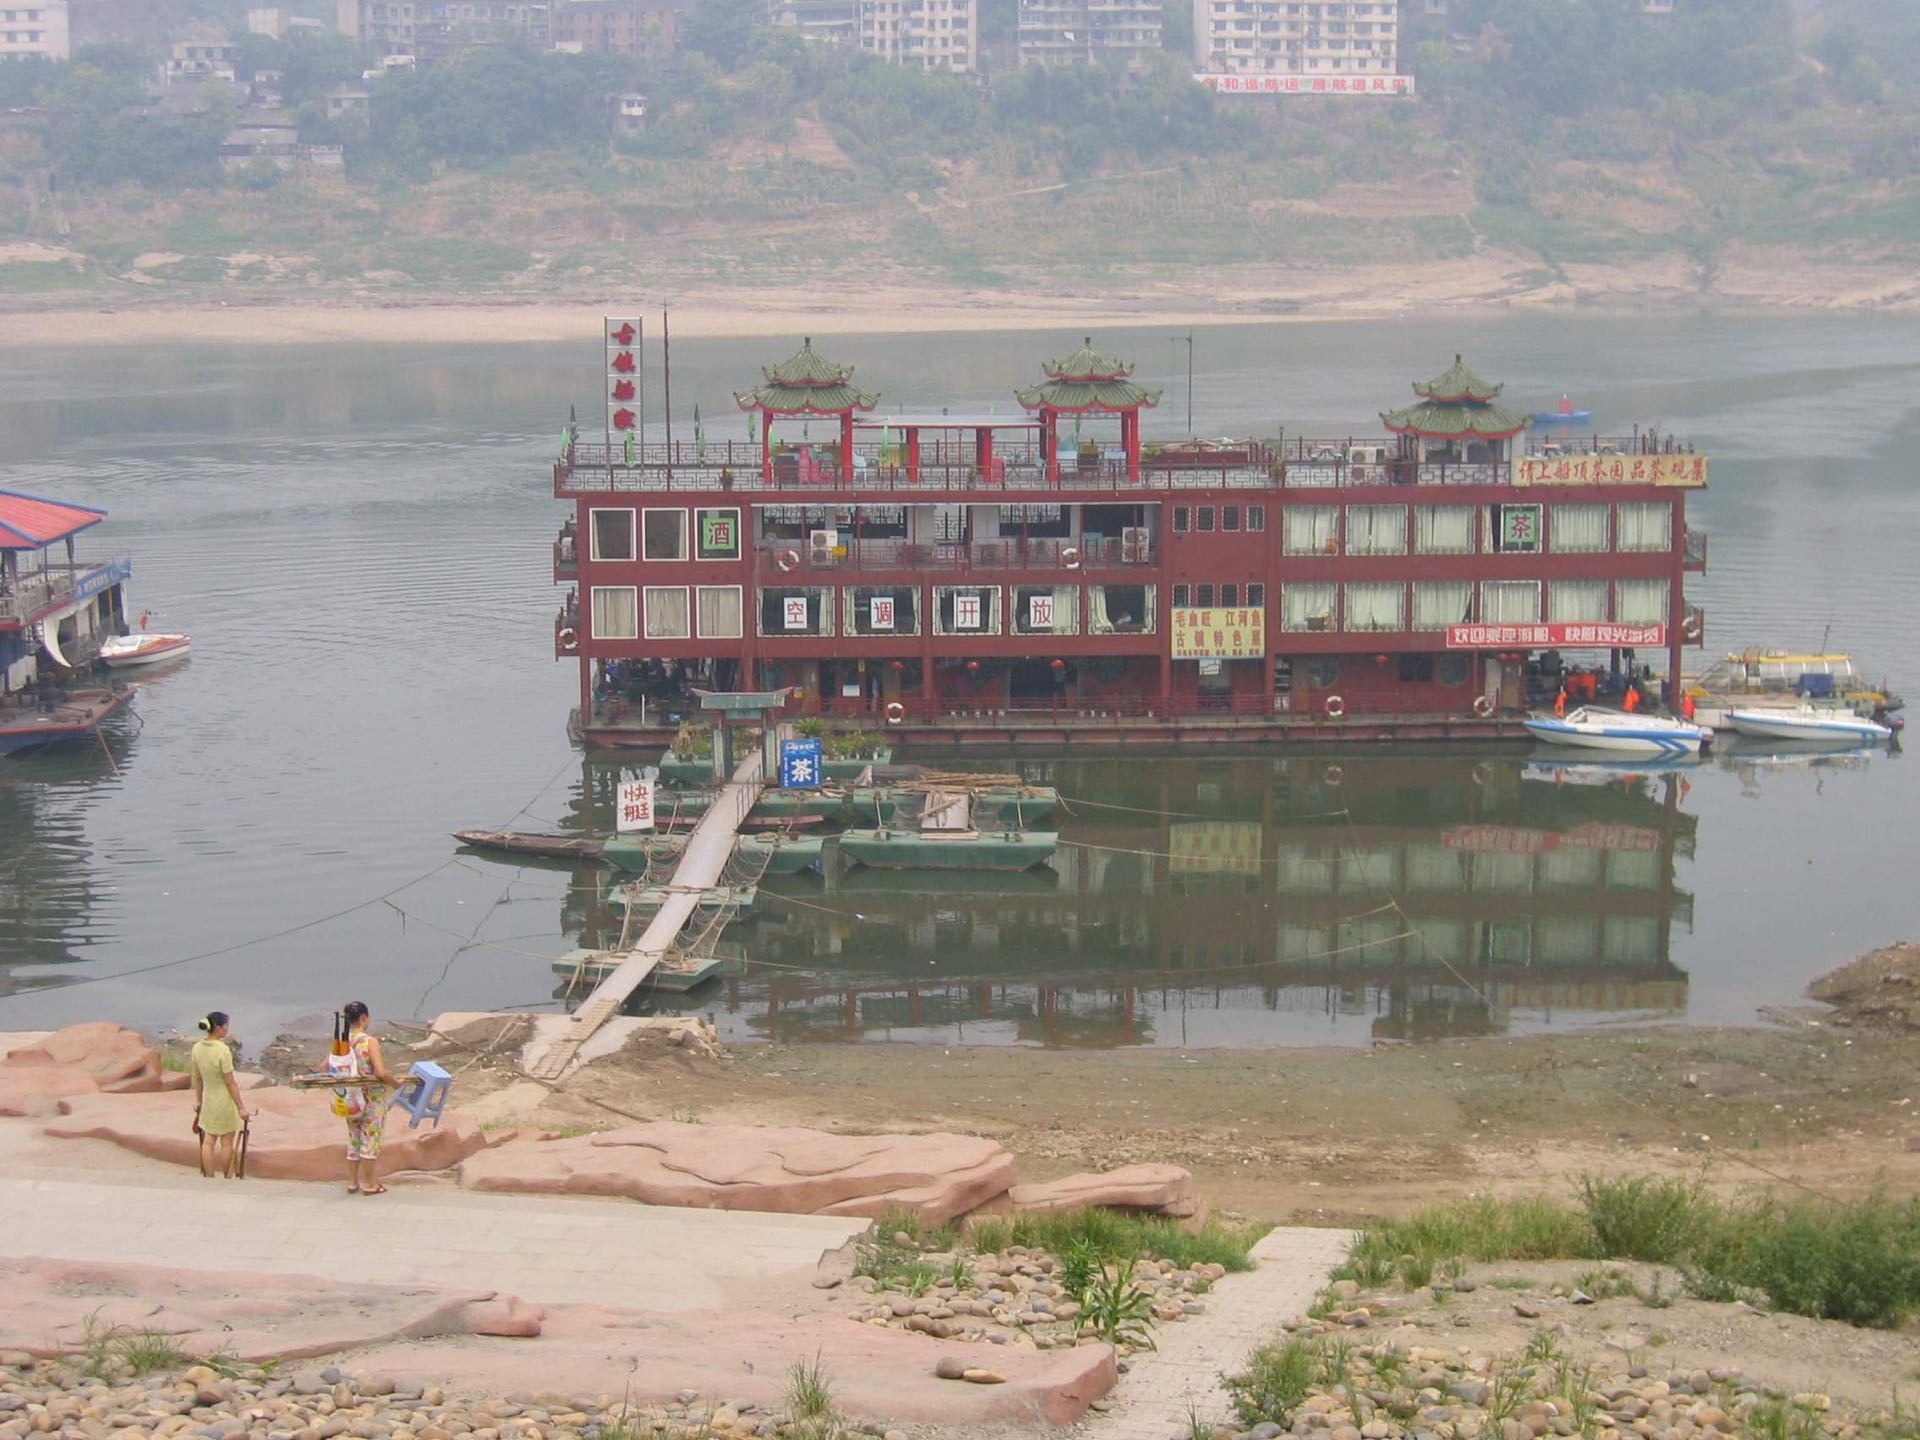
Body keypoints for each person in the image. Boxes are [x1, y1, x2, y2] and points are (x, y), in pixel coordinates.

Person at [339, 1001, 398, 1195]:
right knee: (370, 1139)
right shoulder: (369, 1042)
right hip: (372, 1098)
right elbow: (380, 1072)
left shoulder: (342, 1042)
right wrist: (395, 1083)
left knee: (354, 1139)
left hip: (351, 1099)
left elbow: (326, 1066)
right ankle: (370, 1184)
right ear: (363, 1018)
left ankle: (352, 1182)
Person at [189, 1012, 251, 1179]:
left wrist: (199, 1100)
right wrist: (241, 1107)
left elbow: (198, 1079)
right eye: (226, 1026)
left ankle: (209, 1177)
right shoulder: (223, 1050)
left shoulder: (197, 1048)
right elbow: (230, 1082)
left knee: (208, 1141)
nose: (227, 1029)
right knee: (226, 1141)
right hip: (224, 1100)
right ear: (218, 1028)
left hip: (208, 1099)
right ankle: (227, 1176)